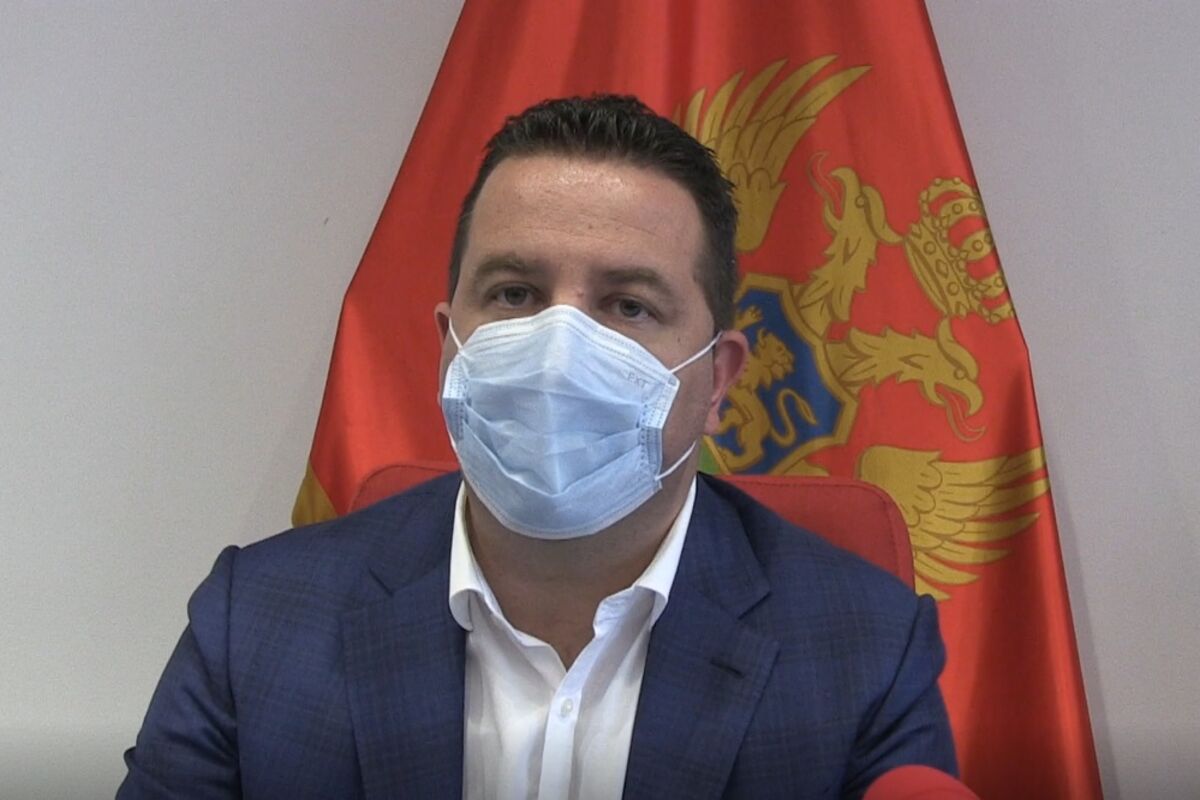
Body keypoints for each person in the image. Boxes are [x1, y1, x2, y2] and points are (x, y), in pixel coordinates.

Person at [118, 95, 956, 799]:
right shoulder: (256, 624)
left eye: (629, 306)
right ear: (449, 347)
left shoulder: (865, 653)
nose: (558, 354)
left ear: (718, 380)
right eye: (515, 293)